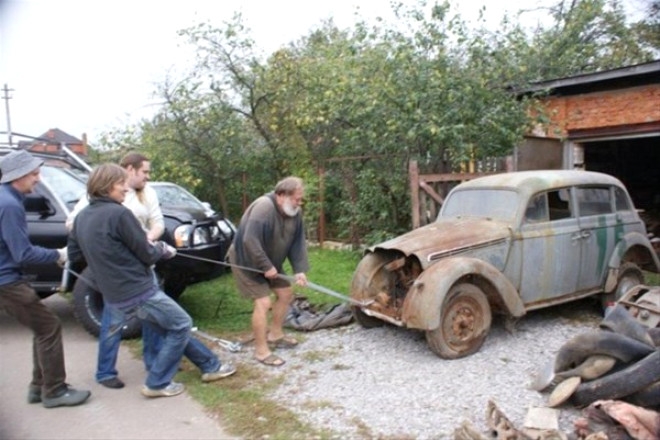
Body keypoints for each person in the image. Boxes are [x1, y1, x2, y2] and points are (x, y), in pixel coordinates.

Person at [68, 163, 236, 397]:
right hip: (138, 289)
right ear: (106, 186)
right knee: (181, 324)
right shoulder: (119, 214)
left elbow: (75, 256)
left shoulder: (81, 217)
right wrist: (164, 250)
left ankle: (211, 366)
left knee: (169, 324)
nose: (125, 189)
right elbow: (147, 253)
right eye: (120, 184)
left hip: (115, 292)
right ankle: (157, 383)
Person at [0, 150, 91, 408]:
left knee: (42, 327)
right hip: (7, 282)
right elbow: (22, 252)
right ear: (17, 176)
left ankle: (38, 387)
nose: (37, 179)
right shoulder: (8, 204)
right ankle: (54, 391)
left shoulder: (7, 198)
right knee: (49, 327)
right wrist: (58, 254)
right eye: (34, 174)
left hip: (7, 278)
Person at [66, 152, 164, 389]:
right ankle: (105, 371)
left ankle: (155, 363)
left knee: (154, 318)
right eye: (145, 172)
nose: (148, 177)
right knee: (113, 321)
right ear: (129, 170)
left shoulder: (147, 193)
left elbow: (157, 222)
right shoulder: (106, 203)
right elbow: (74, 223)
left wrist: (148, 240)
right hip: (117, 272)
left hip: (143, 266)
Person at [228, 176, 309, 367]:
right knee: (263, 302)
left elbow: (297, 242)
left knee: (286, 293)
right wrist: (266, 266)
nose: (300, 203)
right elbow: (250, 240)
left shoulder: (295, 213)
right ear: (281, 195)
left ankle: (275, 335)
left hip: (270, 261)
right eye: (297, 199)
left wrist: (299, 270)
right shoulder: (263, 208)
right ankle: (261, 351)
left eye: (300, 199)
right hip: (246, 260)